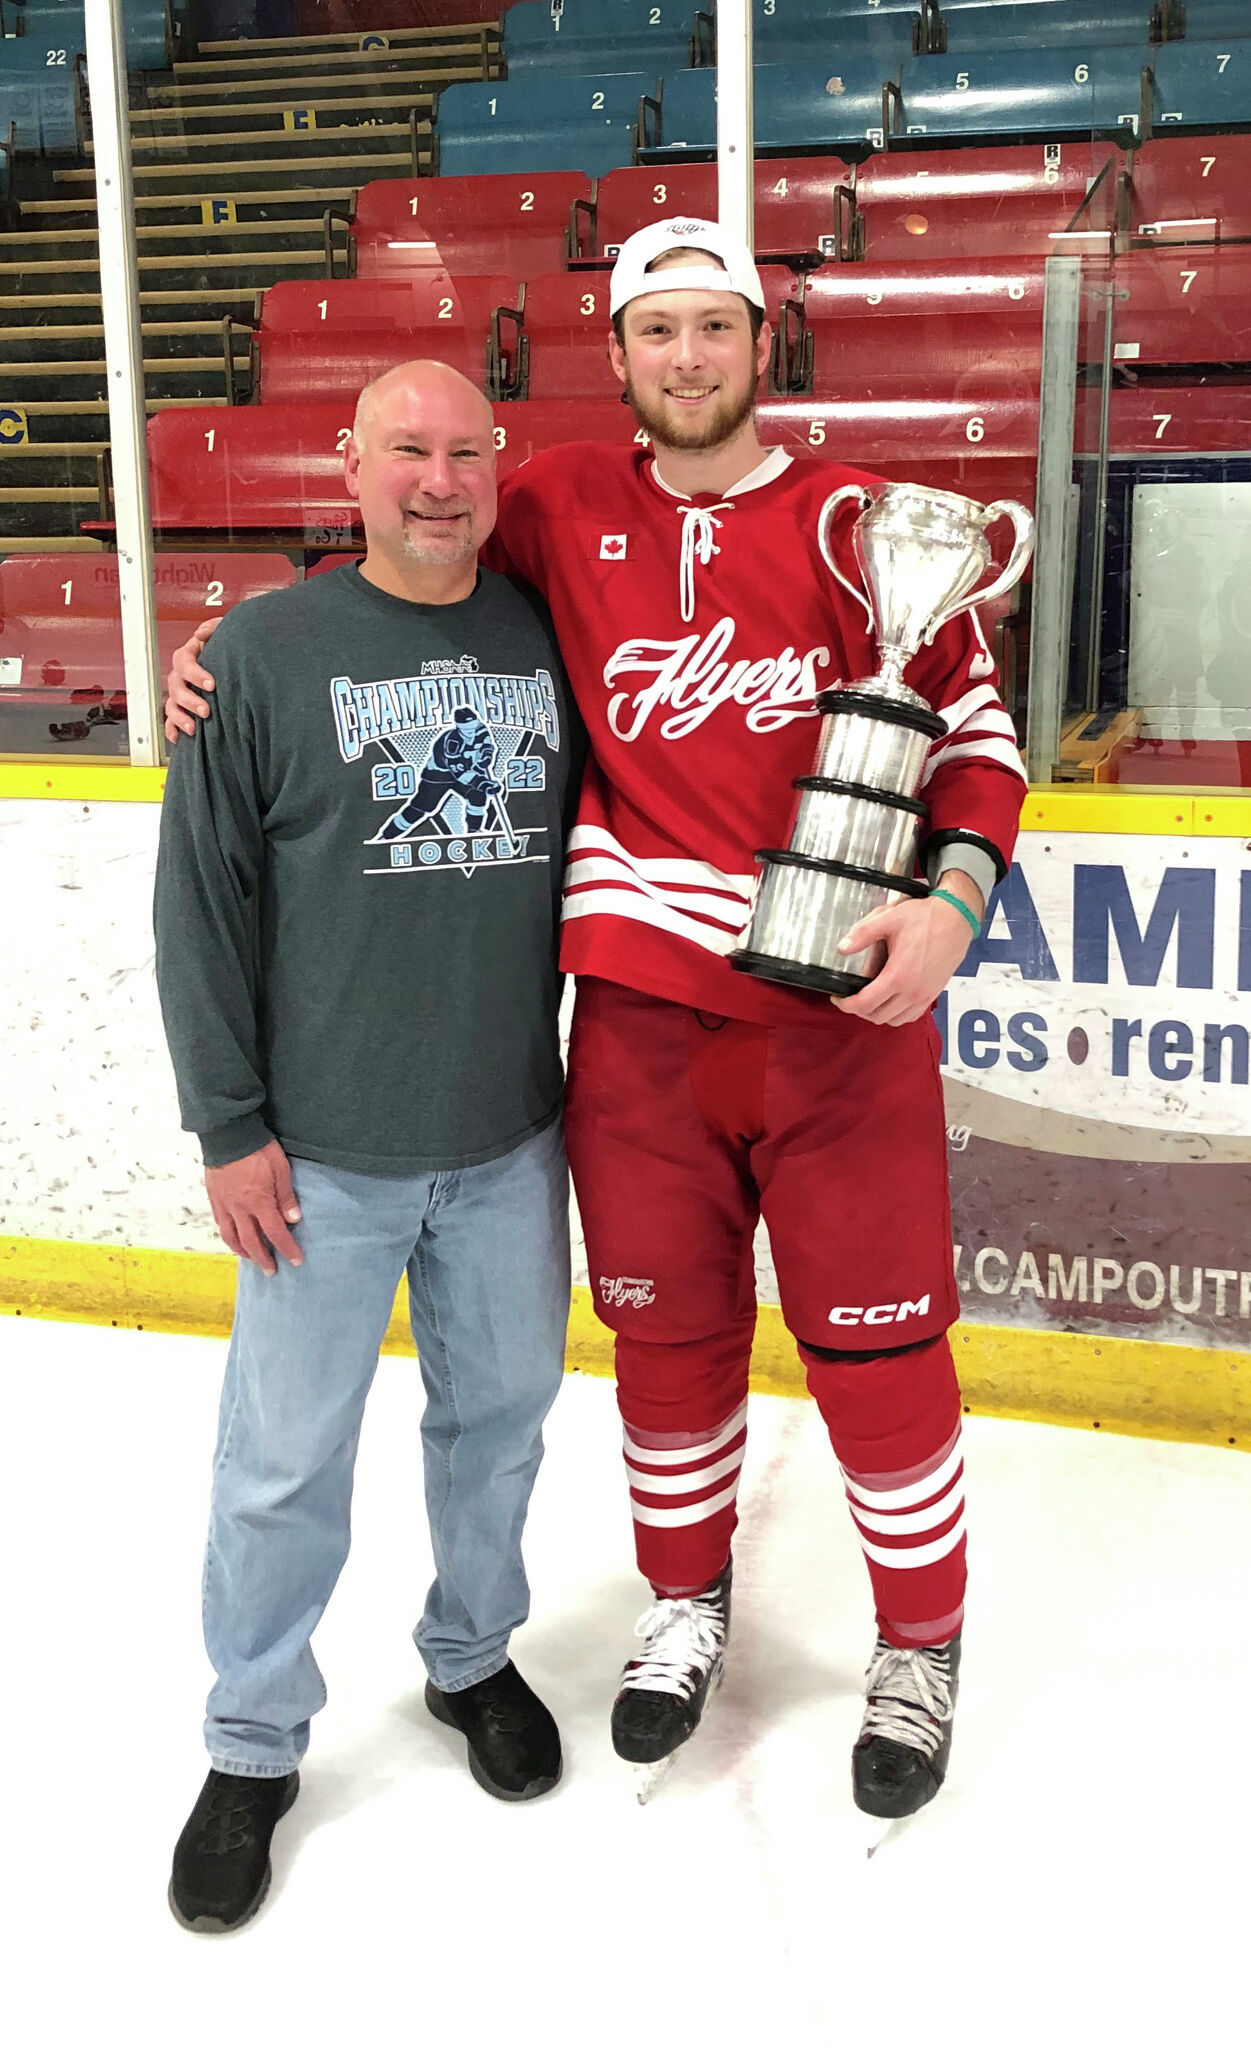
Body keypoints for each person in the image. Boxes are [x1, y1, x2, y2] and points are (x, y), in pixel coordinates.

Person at [164, 220, 1027, 1824]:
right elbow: (400, 567)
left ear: (763, 344)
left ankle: (921, 1644)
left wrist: (958, 895)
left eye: (717, 328)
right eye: (657, 333)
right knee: (665, 1351)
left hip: (837, 1034)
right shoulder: (556, 504)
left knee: (884, 1355)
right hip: (633, 1037)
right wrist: (241, 648)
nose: (688, 360)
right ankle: (681, 1606)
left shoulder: (862, 525)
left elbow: (972, 732)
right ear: (615, 358)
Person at [154, 361, 581, 1935]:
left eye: (468, 450)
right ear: (349, 465)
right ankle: (252, 1743)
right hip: (318, 1160)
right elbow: (197, 909)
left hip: (508, 1139)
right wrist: (230, 1128)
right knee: (279, 1468)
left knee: (504, 1426)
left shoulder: (552, 636)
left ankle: (471, 1656)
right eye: (408, 448)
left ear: (499, 468)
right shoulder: (258, 654)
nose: (438, 478)